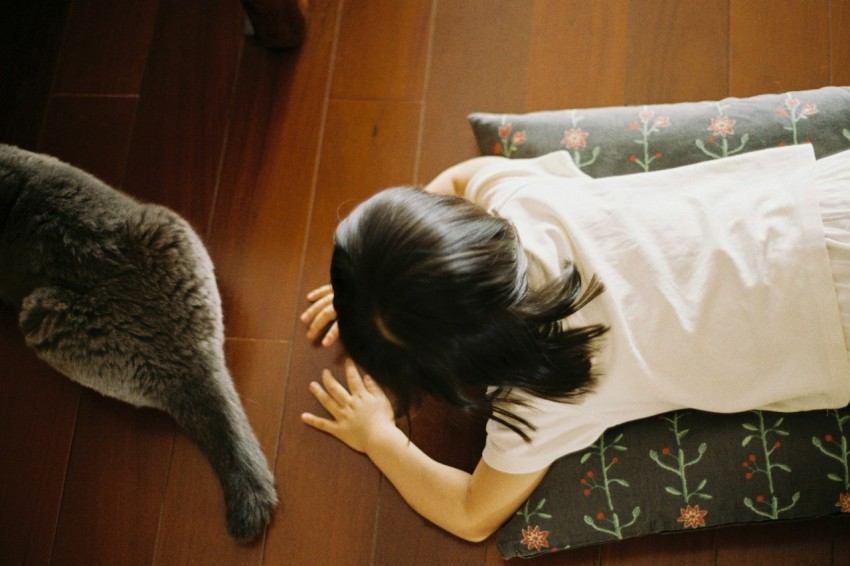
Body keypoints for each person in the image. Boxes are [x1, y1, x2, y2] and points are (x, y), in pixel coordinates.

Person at [300, 144, 850, 542]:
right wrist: (392, 288)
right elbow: (460, 181)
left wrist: (378, 435)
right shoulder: (522, 199)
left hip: (831, 323)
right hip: (818, 204)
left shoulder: (543, 396)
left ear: (449, 371)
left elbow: (472, 515)